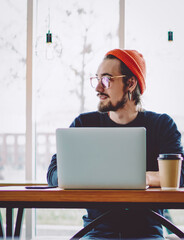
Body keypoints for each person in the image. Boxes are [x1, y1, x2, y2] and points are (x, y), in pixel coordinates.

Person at [47, 49, 184, 239]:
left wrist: (144, 178)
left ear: (130, 83)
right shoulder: (84, 124)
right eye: (97, 79)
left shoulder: (161, 125)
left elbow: (181, 175)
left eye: (106, 80)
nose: (98, 88)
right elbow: (53, 172)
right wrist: (75, 177)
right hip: (95, 232)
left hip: (147, 233)